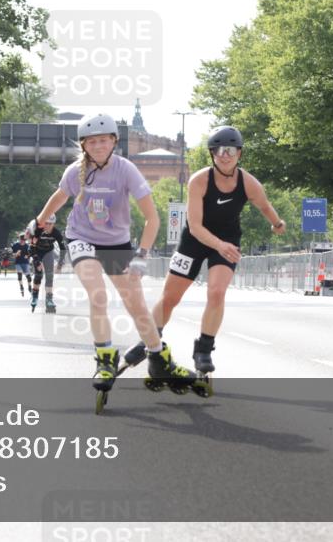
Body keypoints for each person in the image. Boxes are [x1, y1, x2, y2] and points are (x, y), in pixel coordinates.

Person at [33, 112, 198, 413]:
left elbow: (152, 218)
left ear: (114, 142)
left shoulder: (127, 170)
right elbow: (59, 197)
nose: (98, 146)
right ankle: (105, 359)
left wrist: (141, 257)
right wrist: (39, 221)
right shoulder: (75, 171)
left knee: (136, 306)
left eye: (103, 140)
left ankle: (160, 359)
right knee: (97, 295)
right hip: (81, 238)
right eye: (92, 142)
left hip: (118, 244)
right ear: (84, 145)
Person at [120, 125, 286, 393]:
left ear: (239, 154)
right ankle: (148, 341)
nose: (224, 155)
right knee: (171, 297)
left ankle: (204, 350)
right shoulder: (199, 180)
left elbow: (265, 206)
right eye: (218, 151)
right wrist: (218, 245)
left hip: (228, 242)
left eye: (230, 151)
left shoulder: (248, 183)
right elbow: (195, 227)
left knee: (217, 292)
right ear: (212, 154)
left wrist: (277, 223)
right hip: (194, 242)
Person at [28, 215, 67, 313]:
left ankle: (49, 299)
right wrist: (37, 262)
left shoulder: (56, 233)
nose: (48, 226)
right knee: (38, 274)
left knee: (50, 276)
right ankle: (35, 295)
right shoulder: (38, 231)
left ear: (54, 224)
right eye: (46, 223)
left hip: (48, 252)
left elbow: (63, 249)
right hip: (37, 252)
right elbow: (31, 248)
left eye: (50, 224)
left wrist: (59, 265)